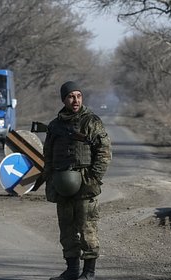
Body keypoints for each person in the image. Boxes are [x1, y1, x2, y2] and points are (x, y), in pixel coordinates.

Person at [43, 81, 112, 280]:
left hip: (85, 183)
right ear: (63, 99)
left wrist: (93, 177)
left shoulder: (91, 121)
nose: (75, 100)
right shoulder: (55, 125)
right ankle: (71, 270)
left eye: (78, 96)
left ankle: (88, 272)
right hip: (61, 183)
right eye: (71, 96)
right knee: (66, 229)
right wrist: (50, 179)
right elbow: (48, 154)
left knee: (87, 227)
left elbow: (104, 152)